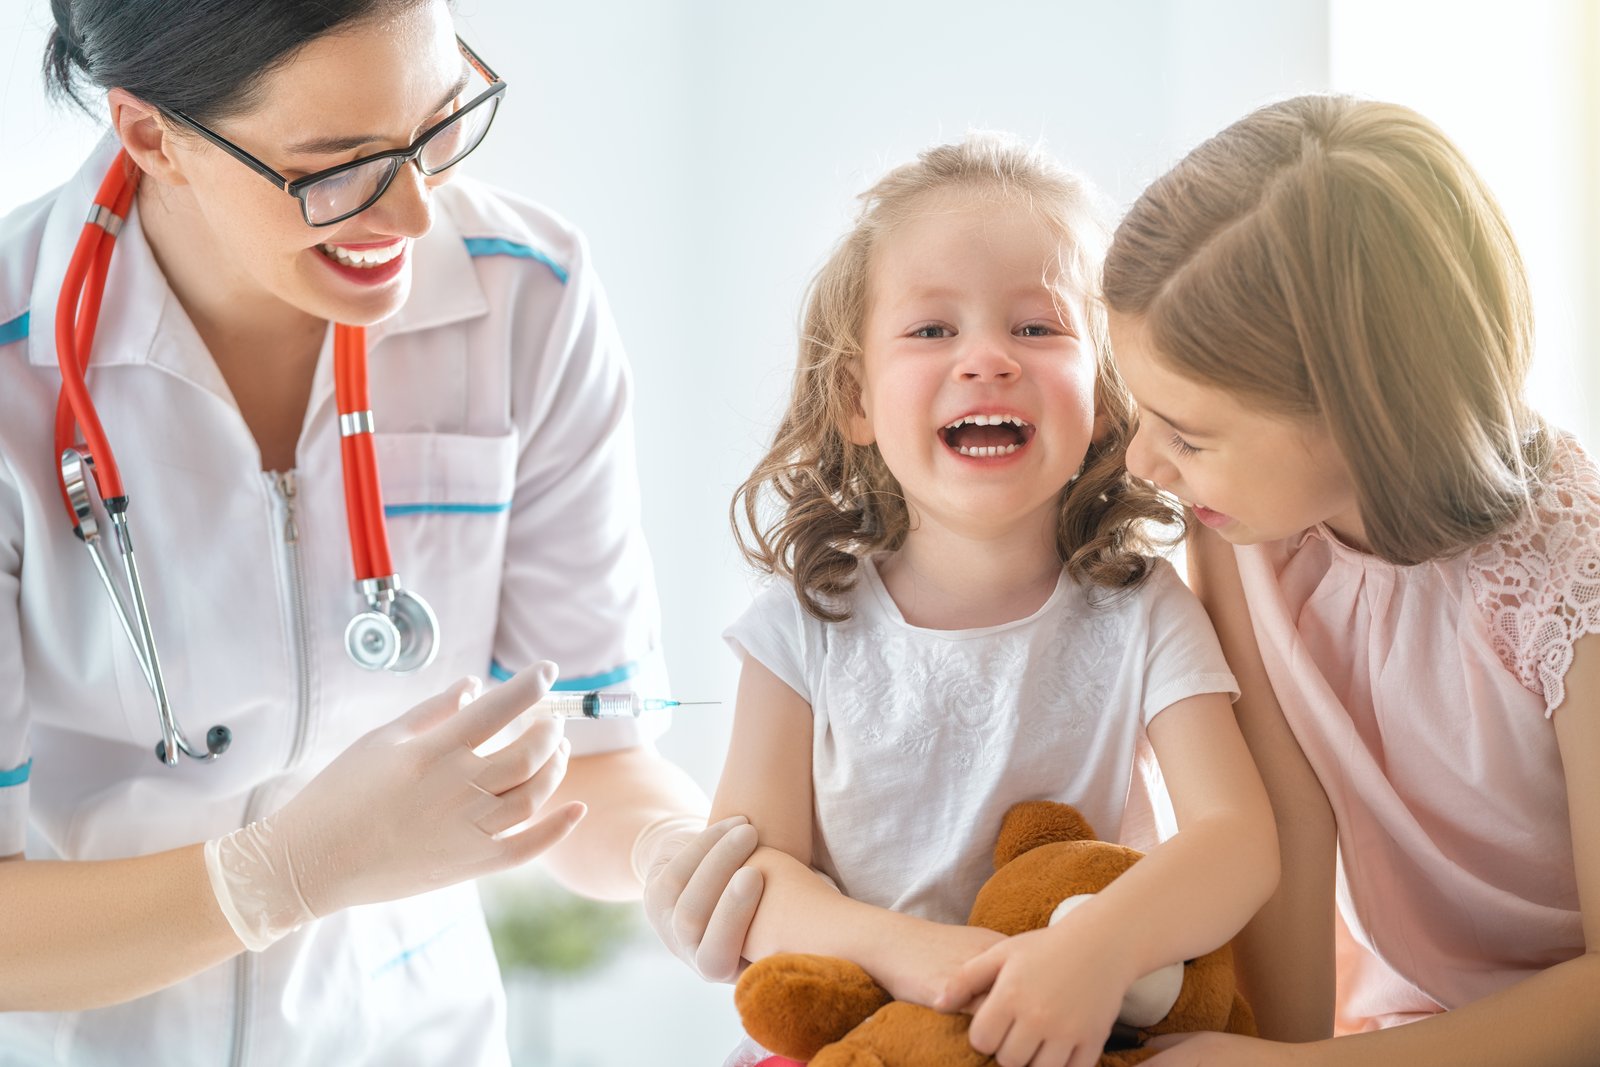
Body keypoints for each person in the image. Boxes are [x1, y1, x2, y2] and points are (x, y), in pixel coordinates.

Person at [0, 1, 758, 1062]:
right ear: (150, 136)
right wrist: (285, 871)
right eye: (338, 167)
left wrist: (679, 853)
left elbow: (593, 756)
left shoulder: (522, 296)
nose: (412, 215)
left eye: (439, 124)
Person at [702, 133, 1279, 1067]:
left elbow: (1238, 840)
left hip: (1070, 1031)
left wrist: (1098, 949)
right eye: (933, 330)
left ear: (1105, 386)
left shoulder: (1141, 608)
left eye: (1037, 327)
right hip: (856, 1038)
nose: (987, 360)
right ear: (855, 397)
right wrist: (922, 958)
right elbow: (754, 878)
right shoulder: (801, 624)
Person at [1100, 96, 1600, 1067]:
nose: (1140, 462)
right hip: (1414, 1024)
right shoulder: (1247, 531)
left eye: (1188, 433)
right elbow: (1290, 821)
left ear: (1356, 413)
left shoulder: (1570, 591)